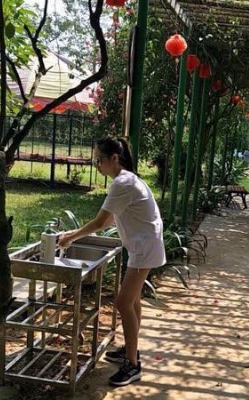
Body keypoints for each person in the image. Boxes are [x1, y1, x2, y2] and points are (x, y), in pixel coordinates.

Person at [58, 136, 166, 386]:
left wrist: (70, 238)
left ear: (114, 159)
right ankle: (130, 348)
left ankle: (132, 365)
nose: (96, 165)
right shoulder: (127, 180)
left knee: (122, 303)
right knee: (132, 301)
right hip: (143, 245)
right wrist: (75, 234)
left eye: (99, 160)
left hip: (144, 248)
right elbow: (107, 221)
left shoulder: (123, 183)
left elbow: (99, 222)